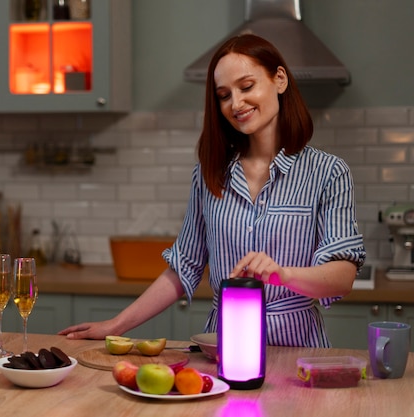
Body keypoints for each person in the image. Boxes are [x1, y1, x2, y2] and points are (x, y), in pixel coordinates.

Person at [59, 34, 366, 348]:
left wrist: (283, 274)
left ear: (280, 79)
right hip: (224, 346)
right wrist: (115, 325)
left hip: (297, 349)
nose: (236, 103)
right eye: (223, 95)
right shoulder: (209, 174)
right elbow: (184, 267)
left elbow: (343, 275)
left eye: (246, 87)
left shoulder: (328, 172)